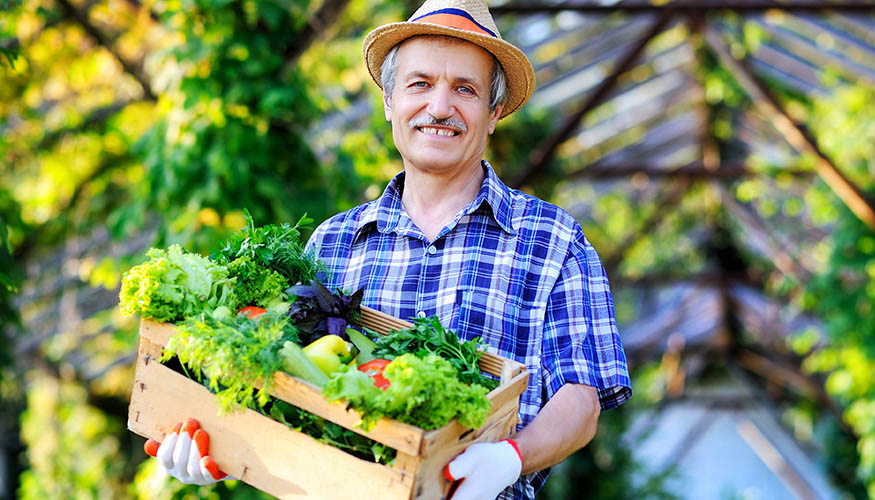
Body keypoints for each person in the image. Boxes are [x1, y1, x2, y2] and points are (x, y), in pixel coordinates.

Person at [146, 0, 631, 497]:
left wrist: (511, 457)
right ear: (388, 100)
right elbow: (288, 399)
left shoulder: (553, 242)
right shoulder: (331, 244)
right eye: (420, 84)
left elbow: (582, 398)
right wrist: (225, 445)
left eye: (465, 89)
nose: (440, 107)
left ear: (494, 112)